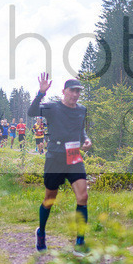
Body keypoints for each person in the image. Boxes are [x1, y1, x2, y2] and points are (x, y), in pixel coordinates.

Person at [28, 74, 92, 252]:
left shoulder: (81, 110)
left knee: (83, 197)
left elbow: (81, 131)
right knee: (50, 198)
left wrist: (86, 140)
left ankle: (80, 242)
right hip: (55, 157)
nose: (75, 94)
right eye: (72, 91)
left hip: (73, 156)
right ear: (64, 91)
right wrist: (41, 93)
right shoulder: (52, 107)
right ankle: (41, 232)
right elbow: (32, 112)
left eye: (78, 91)